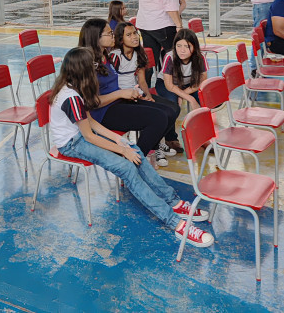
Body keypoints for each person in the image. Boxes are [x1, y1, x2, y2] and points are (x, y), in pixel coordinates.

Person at [49, 47, 214, 248]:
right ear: (82, 70)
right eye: (93, 65)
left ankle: (175, 202)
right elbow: (88, 135)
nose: (96, 68)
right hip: (72, 143)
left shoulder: (76, 87)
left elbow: (90, 121)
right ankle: (176, 223)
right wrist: (122, 150)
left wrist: (119, 142)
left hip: (82, 134)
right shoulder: (71, 97)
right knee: (126, 167)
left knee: (134, 151)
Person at [78, 18, 181, 168]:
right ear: (96, 38)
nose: (113, 36)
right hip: (103, 113)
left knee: (169, 111)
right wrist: (120, 94)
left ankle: (145, 153)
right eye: (109, 33)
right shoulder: (88, 63)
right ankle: (134, 163)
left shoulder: (105, 56)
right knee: (158, 118)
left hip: (118, 102)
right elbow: (91, 103)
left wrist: (131, 94)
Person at [160, 29, 208, 110]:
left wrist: (182, 95)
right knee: (173, 106)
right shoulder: (170, 57)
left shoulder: (200, 57)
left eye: (187, 46)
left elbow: (202, 80)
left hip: (188, 84)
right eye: (178, 46)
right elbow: (169, 85)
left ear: (194, 47)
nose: (182, 50)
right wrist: (190, 99)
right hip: (167, 84)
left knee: (205, 100)